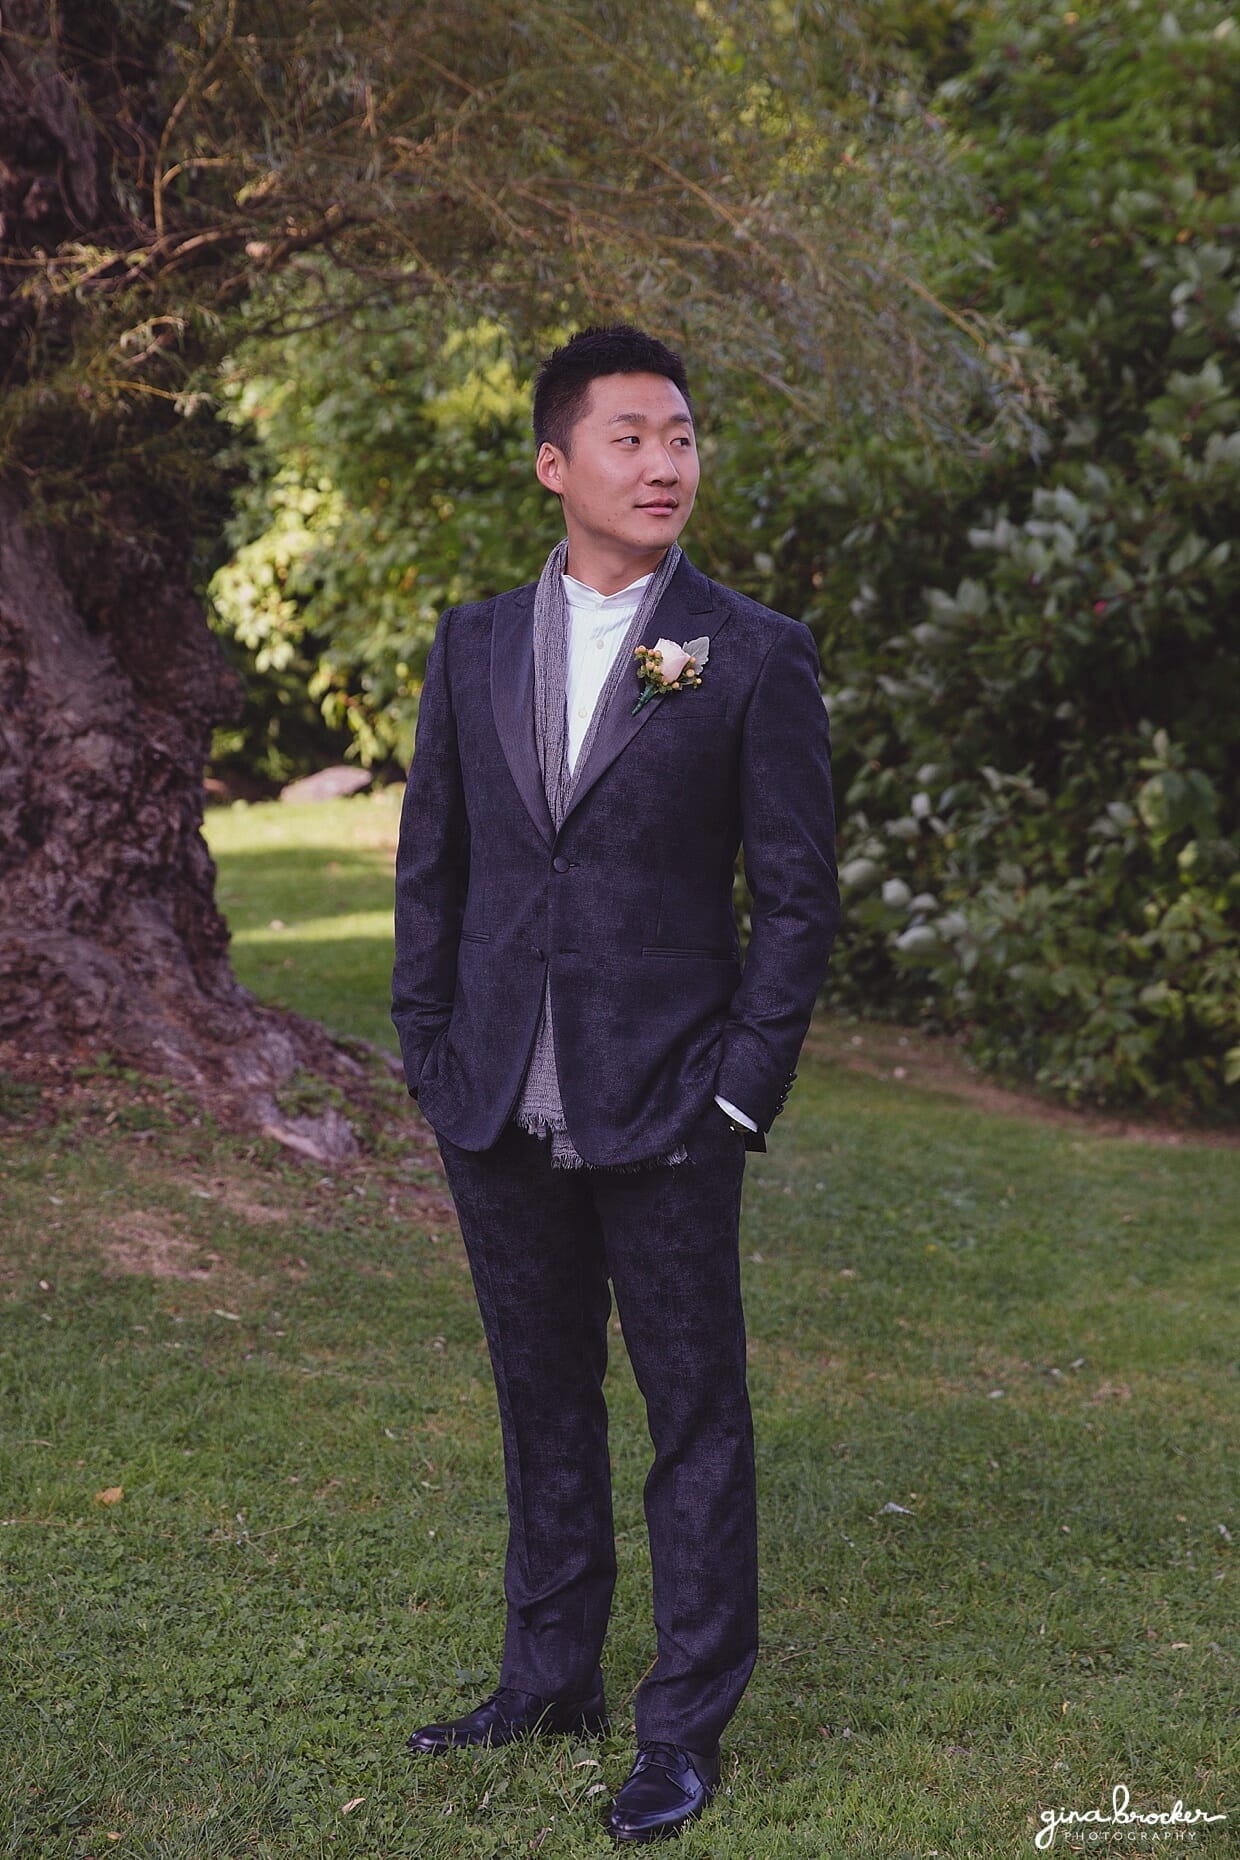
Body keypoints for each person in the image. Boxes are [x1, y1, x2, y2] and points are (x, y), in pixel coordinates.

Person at [391, 323, 839, 1843]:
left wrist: (740, 1091)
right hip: (494, 1097)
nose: (665, 465)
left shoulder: (751, 652)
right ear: (554, 463)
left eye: (683, 437)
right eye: (631, 438)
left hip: (668, 1102)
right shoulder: (470, 645)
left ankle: (684, 1725)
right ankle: (547, 1680)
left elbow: (798, 901)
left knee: (694, 1416)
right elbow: (435, 866)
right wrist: (430, 1045)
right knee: (540, 1402)